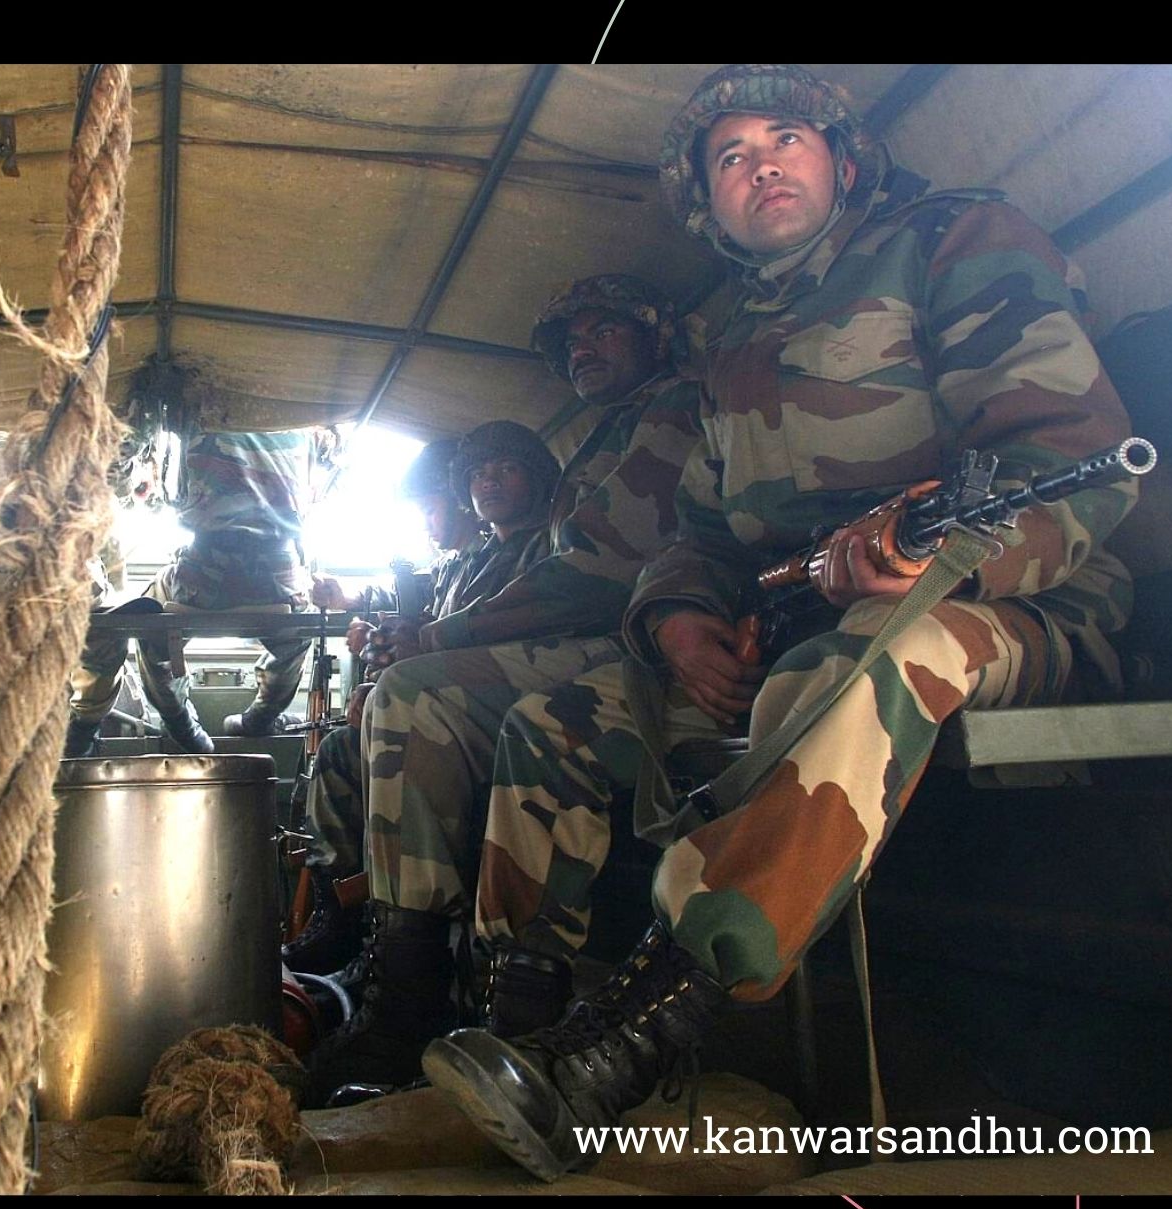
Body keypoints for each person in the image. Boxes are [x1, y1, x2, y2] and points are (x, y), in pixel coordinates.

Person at [425, 64, 1140, 1183]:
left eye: (783, 139)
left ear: (840, 157)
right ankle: (519, 1012)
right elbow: (695, 531)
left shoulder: (951, 239)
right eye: (729, 156)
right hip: (788, 619)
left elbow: (1070, 466)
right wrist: (674, 620)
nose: (758, 163)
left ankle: (634, 1033)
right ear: (708, 204)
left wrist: (927, 555)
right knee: (554, 718)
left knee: (859, 667)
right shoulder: (729, 344)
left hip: (1014, 600)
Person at [303, 274, 706, 1106]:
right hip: (610, 641)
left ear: (655, 334)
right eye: (571, 345)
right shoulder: (611, 436)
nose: (582, 351)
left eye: (604, 333)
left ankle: (460, 1006)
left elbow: (596, 573)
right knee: (407, 702)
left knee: (419, 695)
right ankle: (412, 986)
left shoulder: (672, 412)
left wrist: (438, 637)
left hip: (652, 647)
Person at [286, 436, 477, 978]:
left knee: (367, 740)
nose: (424, 522)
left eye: (430, 508)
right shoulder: (449, 567)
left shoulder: (494, 560)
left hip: (457, 724)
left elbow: (466, 644)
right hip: (434, 712)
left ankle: (399, 946)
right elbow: (414, 606)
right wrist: (362, 616)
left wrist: (385, 679)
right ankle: (344, 912)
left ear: (460, 499)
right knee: (340, 753)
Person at [64, 408, 330, 756]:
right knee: (301, 628)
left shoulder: (188, 415)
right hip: (279, 576)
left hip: (204, 576)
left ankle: (181, 725)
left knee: (148, 620)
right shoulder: (304, 423)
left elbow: (151, 493)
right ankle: (260, 719)